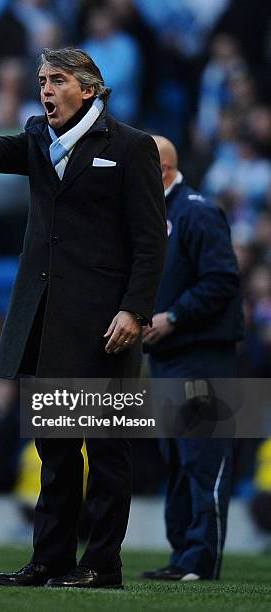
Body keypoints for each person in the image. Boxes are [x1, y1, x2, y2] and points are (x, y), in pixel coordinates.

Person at [0, 48, 167, 589]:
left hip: (107, 323)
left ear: (89, 90)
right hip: (46, 318)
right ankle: (49, 559)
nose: (44, 91)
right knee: (55, 450)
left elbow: (151, 242)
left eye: (56, 80)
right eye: (41, 81)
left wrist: (135, 308)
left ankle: (102, 563)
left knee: (106, 450)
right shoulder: (38, 137)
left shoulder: (131, 147)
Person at [142, 136, 244, 581]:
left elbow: (223, 279)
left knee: (201, 459)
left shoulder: (196, 212)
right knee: (179, 460)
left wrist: (175, 317)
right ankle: (183, 554)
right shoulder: (157, 214)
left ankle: (200, 560)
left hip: (202, 356)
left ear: (162, 169)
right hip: (169, 357)